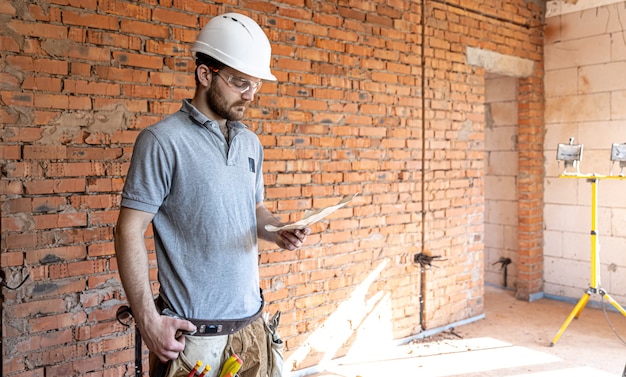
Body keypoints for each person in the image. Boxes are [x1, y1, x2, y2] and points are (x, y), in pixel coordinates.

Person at [114, 12, 309, 377]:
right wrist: (148, 321)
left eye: (256, 86)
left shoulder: (250, 142)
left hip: (251, 331)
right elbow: (127, 230)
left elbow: (254, 211)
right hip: (194, 341)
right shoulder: (161, 141)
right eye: (240, 83)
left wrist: (277, 230)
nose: (250, 95)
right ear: (206, 75)